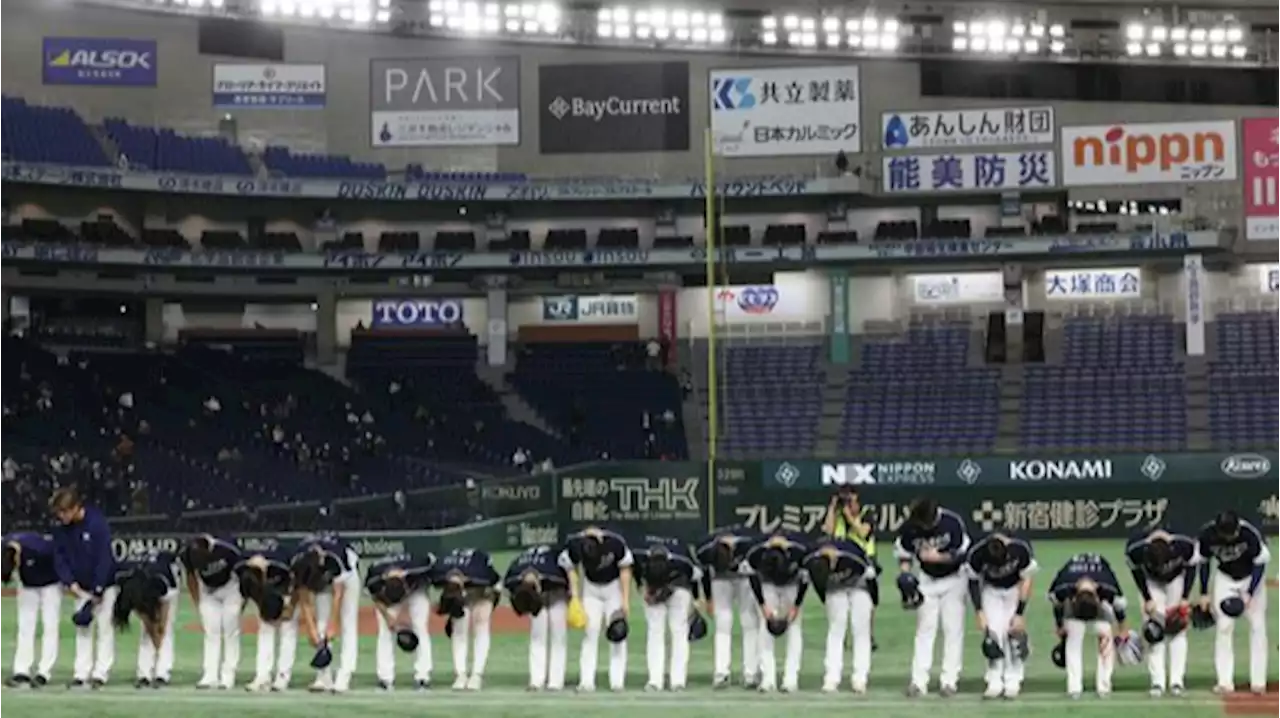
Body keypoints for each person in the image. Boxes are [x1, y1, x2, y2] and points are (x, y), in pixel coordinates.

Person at [895, 497, 970, 697]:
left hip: (954, 578)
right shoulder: (910, 527)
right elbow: (904, 554)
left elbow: (964, 553)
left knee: (952, 630)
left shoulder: (951, 522)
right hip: (927, 580)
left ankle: (949, 681)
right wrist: (905, 574)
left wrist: (941, 557)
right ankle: (918, 682)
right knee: (924, 630)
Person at [1196, 511, 1270, 695]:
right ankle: (1224, 681)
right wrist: (1204, 593)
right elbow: (1204, 561)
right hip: (1225, 579)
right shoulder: (1207, 535)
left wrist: (1250, 593)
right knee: (1224, 627)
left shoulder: (1249, 534)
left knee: (1257, 627)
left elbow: (1260, 563)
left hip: (1251, 578)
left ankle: (1258, 682)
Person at [50, 486, 116, 689]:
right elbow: (59, 556)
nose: (61, 517)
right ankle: (81, 673)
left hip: (105, 585)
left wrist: (98, 588)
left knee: (105, 629)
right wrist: (70, 583)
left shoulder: (97, 523)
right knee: (82, 628)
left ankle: (100, 673)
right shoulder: (62, 528)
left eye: (64, 512)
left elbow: (104, 557)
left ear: (75, 507)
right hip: (79, 586)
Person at [1048, 552, 1133, 699]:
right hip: (1075, 609)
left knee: (1105, 636)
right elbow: (1057, 604)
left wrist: (1123, 628)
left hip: (1100, 609)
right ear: (1073, 598)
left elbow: (1119, 606)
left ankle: (1103, 686)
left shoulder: (1108, 587)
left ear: (1097, 597)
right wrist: (1059, 625)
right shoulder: (1063, 587)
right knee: (1073, 637)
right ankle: (1075, 687)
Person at [559, 526, 633, 692]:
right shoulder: (576, 545)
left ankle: (617, 681)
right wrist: (575, 596)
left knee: (617, 633)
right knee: (590, 633)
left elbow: (625, 570)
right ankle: (586, 681)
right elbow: (570, 568)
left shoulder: (615, 543)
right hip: (591, 589)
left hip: (613, 588)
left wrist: (625, 600)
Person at [1125, 527, 1197, 697]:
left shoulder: (1183, 545)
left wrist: (1185, 597)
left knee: (1178, 630)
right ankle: (1157, 682)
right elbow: (1136, 572)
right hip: (1151, 584)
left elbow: (1192, 568)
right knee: (1153, 631)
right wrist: (1147, 598)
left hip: (1176, 581)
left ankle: (1176, 681)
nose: (1161, 568)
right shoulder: (1136, 549)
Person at [965, 532, 1037, 699]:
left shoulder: (1020, 549)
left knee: (1012, 633)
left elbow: (1027, 579)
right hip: (991, 590)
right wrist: (979, 611)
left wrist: (1020, 613)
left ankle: (1014, 679)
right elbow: (973, 582)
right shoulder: (977, 553)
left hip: (1014, 588)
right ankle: (994, 680)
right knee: (994, 634)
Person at [802, 538, 875, 694]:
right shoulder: (812, 560)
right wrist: (825, 598)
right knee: (836, 630)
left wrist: (874, 601)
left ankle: (860, 678)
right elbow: (819, 584)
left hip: (860, 585)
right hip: (834, 589)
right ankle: (831, 678)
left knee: (860, 630)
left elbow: (870, 577)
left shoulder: (852, 555)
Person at [290, 533, 361, 694]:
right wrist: (310, 628)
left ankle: (344, 676)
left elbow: (338, 593)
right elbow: (303, 595)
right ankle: (323, 677)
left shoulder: (335, 557)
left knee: (347, 624)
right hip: (323, 581)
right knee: (320, 624)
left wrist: (333, 625)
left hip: (346, 578)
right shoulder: (298, 561)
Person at [695, 526, 761, 689]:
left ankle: (750, 673)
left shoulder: (750, 544)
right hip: (719, 581)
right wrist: (709, 599)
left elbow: (756, 571)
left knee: (749, 622)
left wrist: (761, 599)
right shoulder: (705, 550)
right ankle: (721, 673)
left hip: (745, 578)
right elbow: (704, 573)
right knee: (722, 624)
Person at [632, 536, 701, 692]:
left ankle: (677, 680)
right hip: (652, 589)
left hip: (679, 589)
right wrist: (641, 587)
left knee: (678, 632)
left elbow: (695, 577)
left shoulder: (682, 562)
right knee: (656, 632)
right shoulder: (640, 556)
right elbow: (635, 570)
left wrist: (696, 599)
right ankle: (655, 680)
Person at [744, 530, 809, 693]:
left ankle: (791, 678)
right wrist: (762, 605)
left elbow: (805, 578)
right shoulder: (756, 553)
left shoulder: (799, 551)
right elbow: (752, 577)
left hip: (792, 585)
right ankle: (768, 678)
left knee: (794, 627)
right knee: (764, 627)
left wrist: (796, 606)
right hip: (768, 585)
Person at [179, 534, 243, 690]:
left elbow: (242, 573)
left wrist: (242, 601)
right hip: (207, 591)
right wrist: (198, 602)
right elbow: (191, 577)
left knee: (230, 632)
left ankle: (228, 676)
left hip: (231, 589)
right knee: (211, 633)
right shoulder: (186, 554)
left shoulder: (227, 550)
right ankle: (210, 675)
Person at [433, 547, 500, 691]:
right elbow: (439, 594)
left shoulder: (479, 568)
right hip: (460, 594)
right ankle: (460, 675)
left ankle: (477, 675)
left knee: (481, 626)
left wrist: (490, 602)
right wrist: (450, 611)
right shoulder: (441, 569)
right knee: (459, 631)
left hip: (484, 591)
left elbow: (494, 582)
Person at [504, 545, 570, 691]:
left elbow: (570, 572)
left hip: (557, 592)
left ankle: (556, 681)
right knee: (537, 636)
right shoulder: (515, 573)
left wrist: (573, 595)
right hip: (535, 595)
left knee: (558, 636)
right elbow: (509, 590)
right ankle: (536, 680)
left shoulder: (553, 569)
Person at [366, 552, 435, 691]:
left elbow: (432, 562)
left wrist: (404, 616)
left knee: (420, 627)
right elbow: (376, 598)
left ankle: (423, 676)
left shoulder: (418, 568)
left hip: (417, 590)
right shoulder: (374, 577)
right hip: (388, 596)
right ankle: (385, 679)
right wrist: (388, 617)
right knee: (385, 630)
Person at [822, 486, 879, 651]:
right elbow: (828, 530)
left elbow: (863, 532)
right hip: (842, 559)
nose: (847, 504)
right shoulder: (839, 514)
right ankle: (843, 635)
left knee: (867, 599)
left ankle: (869, 634)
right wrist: (833, 508)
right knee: (840, 597)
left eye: (850, 500)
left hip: (865, 558)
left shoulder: (867, 513)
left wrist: (849, 517)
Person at [112, 551, 180, 689]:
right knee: (147, 632)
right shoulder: (124, 581)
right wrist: (150, 625)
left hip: (169, 585)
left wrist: (159, 628)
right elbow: (139, 609)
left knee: (165, 631)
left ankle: (162, 673)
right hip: (144, 583)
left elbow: (165, 605)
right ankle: (144, 674)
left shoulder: (162, 582)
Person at [1, 531, 60, 688]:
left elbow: (60, 560)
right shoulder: (4, 547)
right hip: (27, 584)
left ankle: (44, 672)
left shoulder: (41, 549)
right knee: (25, 626)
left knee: (50, 626)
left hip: (50, 583)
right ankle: (21, 671)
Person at [235, 549, 296, 692]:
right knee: (265, 631)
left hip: (286, 591)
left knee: (287, 631)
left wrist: (290, 605)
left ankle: (283, 676)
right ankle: (262, 677)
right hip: (265, 595)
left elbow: (296, 583)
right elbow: (248, 594)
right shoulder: (243, 571)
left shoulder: (281, 567)